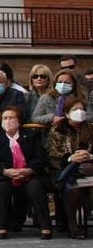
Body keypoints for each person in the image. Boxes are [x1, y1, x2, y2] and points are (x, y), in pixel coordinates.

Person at [0, 107, 50, 240]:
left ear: (19, 120)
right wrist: (5, 171)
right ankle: (2, 227)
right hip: (5, 175)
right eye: (5, 118)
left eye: (12, 117)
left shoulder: (31, 135)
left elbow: (41, 157)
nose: (8, 121)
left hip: (29, 174)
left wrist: (29, 170)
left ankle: (45, 226)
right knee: (0, 188)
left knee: (35, 186)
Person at [45, 97, 93, 237]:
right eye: (75, 110)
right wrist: (71, 157)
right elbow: (53, 154)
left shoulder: (90, 128)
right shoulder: (58, 129)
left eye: (82, 109)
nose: (80, 112)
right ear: (66, 113)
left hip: (88, 167)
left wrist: (88, 156)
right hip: (64, 169)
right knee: (72, 187)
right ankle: (73, 223)